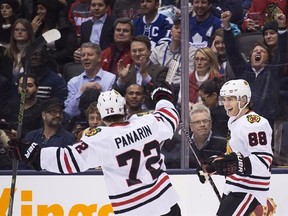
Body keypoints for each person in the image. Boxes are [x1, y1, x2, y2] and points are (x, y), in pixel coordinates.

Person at [8, 84, 182, 216]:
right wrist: (162, 97)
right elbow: (170, 117)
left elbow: (68, 160)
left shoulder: (101, 138)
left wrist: (32, 153)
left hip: (134, 209)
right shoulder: (147, 122)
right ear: (124, 107)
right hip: (167, 201)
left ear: (101, 113)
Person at [199, 79, 275, 215]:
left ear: (244, 100)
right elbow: (236, 156)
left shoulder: (254, 124)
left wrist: (234, 163)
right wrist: (214, 164)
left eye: (231, 99)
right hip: (234, 188)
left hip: (248, 191)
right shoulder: (235, 121)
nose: (226, 104)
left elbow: (263, 162)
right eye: (225, 99)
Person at [221, 10, 287, 126]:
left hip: (267, 123)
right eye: (255, 51)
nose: (258, 52)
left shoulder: (273, 71)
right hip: (243, 122)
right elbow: (232, 51)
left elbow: (282, 51)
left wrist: (281, 27)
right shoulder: (242, 69)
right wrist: (226, 26)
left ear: (268, 58)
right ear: (250, 57)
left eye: (262, 51)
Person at [114, 35, 168, 110]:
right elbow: (115, 97)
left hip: (152, 115)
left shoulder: (160, 71)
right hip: (129, 115)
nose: (137, 54)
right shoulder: (127, 70)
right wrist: (122, 79)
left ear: (149, 51)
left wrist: (145, 74)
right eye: (134, 51)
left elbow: (161, 96)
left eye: (141, 50)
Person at [64, 42, 116, 119]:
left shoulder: (111, 79)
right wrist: (81, 91)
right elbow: (69, 113)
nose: (85, 58)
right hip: (79, 123)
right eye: (83, 55)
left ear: (99, 58)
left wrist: (101, 94)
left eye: (90, 55)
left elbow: (112, 110)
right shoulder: (74, 82)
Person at [150, 18, 196, 101]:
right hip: (159, 87)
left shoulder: (192, 52)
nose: (179, 31)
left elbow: (190, 76)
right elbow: (151, 73)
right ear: (171, 30)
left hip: (180, 89)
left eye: (183, 29)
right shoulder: (158, 50)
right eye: (176, 27)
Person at [31, 0, 78, 73]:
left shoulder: (65, 26)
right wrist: (32, 32)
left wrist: (49, 57)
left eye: (41, 9)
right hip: (41, 64)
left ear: (50, 10)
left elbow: (69, 50)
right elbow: (32, 48)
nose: (38, 12)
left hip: (61, 64)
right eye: (37, 9)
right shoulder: (39, 27)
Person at [189, 103, 226, 168]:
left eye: (205, 121)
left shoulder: (224, 144)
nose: (202, 124)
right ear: (191, 126)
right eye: (197, 122)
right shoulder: (184, 144)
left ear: (211, 124)